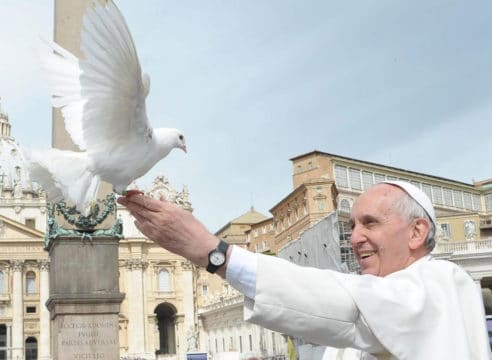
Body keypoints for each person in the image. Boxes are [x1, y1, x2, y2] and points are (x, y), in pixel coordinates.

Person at [117, 181, 491, 359]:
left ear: (417, 231)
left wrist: (214, 254)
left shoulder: (445, 284)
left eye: (370, 223)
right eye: (352, 226)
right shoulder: (371, 310)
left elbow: (351, 304)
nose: (356, 237)